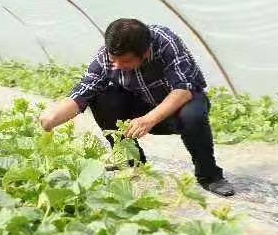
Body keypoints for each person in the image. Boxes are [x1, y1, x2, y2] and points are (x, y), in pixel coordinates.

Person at [39, 18, 235, 197]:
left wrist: (149, 119)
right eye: (113, 59)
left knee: (193, 115)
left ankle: (210, 176)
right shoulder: (106, 57)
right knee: (102, 96)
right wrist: (51, 119)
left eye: (125, 61)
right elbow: (83, 91)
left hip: (177, 107)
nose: (117, 65)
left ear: (146, 52)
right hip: (142, 105)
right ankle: (130, 160)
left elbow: (184, 90)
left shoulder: (165, 42)